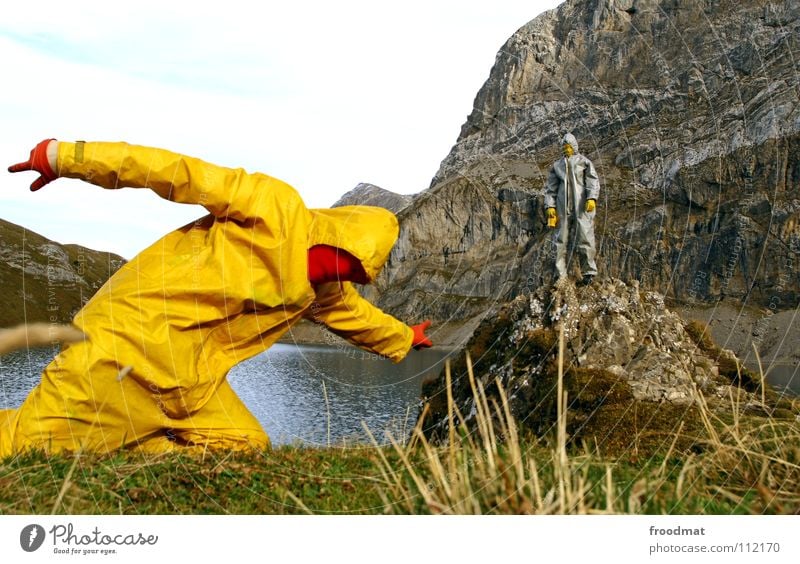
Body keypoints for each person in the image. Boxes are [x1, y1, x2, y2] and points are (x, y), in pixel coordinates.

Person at [0, 139, 433, 456]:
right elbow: (177, 171)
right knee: (27, 445)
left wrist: (403, 337)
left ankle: (137, 448)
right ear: (339, 237)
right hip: (124, 342)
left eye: (360, 271)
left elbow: (353, 315)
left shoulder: (323, 291)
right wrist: (67, 158)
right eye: (350, 262)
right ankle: (113, 440)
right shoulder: (274, 206)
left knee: (243, 446)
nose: (350, 274)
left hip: (191, 382)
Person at [544, 133, 600, 285]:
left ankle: (588, 273)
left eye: (569, 146)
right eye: (564, 147)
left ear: (574, 146)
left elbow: (593, 181)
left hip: (582, 205)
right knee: (560, 240)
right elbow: (550, 189)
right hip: (562, 206)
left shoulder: (584, 162)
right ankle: (560, 275)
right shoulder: (557, 166)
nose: (567, 149)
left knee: (585, 236)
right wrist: (550, 206)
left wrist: (591, 198)